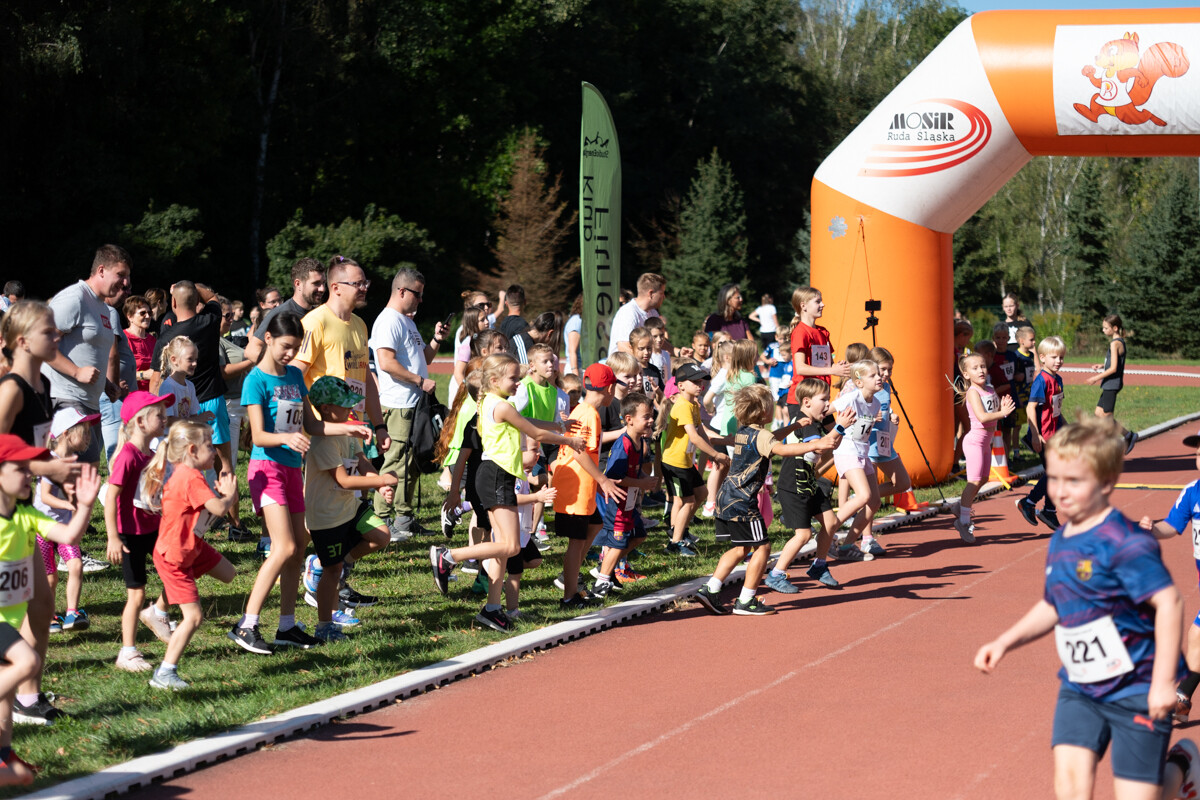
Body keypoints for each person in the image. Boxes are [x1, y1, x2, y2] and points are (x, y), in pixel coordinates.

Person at [975, 416, 1199, 800]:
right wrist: (1005, 641)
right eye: (1055, 478)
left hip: (1138, 687)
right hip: (1081, 686)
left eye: (1074, 481)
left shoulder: (1125, 541)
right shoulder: (1062, 539)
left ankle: (1182, 767)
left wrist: (1164, 682)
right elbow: (1054, 604)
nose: (1060, 491)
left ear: (1106, 483)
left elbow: (1169, 602)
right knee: (1071, 790)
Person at [233, 313, 372, 654]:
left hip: (292, 470)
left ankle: (287, 626)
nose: (289, 354)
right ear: (268, 339)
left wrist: (349, 428)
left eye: (295, 348)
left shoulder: (296, 375)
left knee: (297, 548)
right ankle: (246, 625)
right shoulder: (256, 380)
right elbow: (258, 436)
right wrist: (286, 439)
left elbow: (313, 424)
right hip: (267, 470)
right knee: (282, 548)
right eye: (284, 346)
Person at [430, 353, 584, 629]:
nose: (518, 383)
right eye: (514, 378)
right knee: (511, 546)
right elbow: (535, 434)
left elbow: (529, 422)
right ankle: (448, 556)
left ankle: (492, 609)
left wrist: (560, 425)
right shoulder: (500, 406)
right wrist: (568, 440)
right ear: (494, 380)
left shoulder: (494, 403)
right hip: (496, 477)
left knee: (502, 551)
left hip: (496, 476)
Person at [0, 302, 82, 725]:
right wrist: (46, 467)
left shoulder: (43, 387)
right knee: (16, 602)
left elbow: (34, 446)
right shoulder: (10, 388)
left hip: (23, 505)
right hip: (2, 513)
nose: (58, 338)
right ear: (21, 342)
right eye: (49, 333)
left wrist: (58, 472)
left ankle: (27, 697)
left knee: (42, 599)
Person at [694, 385, 841, 615]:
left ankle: (710, 588)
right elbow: (780, 449)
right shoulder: (763, 436)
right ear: (764, 411)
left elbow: (770, 440)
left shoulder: (746, 431)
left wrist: (793, 426)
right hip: (743, 500)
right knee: (762, 547)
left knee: (741, 548)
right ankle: (746, 600)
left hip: (727, 496)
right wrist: (815, 444)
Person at [0, 435, 98, 778]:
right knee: (27, 661)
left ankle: (4, 759)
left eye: (30, 468)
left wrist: (85, 505)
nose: (30, 475)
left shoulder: (25, 515)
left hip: (7, 622)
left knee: (6, 693)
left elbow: (69, 536)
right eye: (20, 469)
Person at [144, 421, 238, 690]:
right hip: (175, 554)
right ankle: (165, 673)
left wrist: (220, 497)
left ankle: (157, 609)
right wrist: (229, 496)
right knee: (194, 617)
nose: (215, 451)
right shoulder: (190, 477)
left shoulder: (189, 475)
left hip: (190, 546)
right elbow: (219, 510)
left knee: (229, 574)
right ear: (193, 450)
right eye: (210, 446)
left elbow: (205, 509)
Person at [302, 377, 396, 642]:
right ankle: (325, 625)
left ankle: (336, 562)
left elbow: (361, 461)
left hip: (350, 507)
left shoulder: (347, 432)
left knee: (381, 535)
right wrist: (381, 480)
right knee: (331, 574)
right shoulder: (323, 442)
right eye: (344, 407)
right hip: (327, 517)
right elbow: (342, 479)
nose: (350, 410)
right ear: (327, 408)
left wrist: (378, 486)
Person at [371, 267, 449, 539]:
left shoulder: (407, 321)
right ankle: (381, 519)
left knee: (413, 463)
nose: (421, 299)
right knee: (395, 462)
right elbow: (386, 362)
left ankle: (403, 518)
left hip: (415, 404)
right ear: (401, 291)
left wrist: (437, 339)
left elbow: (424, 358)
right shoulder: (388, 321)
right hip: (399, 403)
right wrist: (419, 381)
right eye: (417, 294)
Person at [104, 392, 174, 672]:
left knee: (178, 570)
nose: (165, 417)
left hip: (153, 528)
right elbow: (110, 497)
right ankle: (128, 652)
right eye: (159, 413)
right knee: (136, 594)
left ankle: (157, 613)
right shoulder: (128, 456)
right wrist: (112, 536)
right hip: (130, 534)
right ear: (142, 422)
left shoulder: (152, 453)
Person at [764, 378, 855, 593]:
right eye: (823, 400)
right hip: (792, 487)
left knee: (831, 522)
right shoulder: (805, 422)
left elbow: (830, 446)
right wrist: (840, 427)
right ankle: (776, 574)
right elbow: (820, 448)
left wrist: (840, 430)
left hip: (808, 484)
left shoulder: (814, 422)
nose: (827, 404)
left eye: (828, 399)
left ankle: (819, 565)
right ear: (806, 402)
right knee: (803, 535)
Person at [44, 244, 131, 465]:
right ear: (101, 270)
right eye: (120, 275)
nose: (125, 283)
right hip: (65, 397)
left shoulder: (102, 307)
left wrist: (106, 384)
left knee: (88, 473)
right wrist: (76, 372)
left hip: (90, 403)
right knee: (71, 475)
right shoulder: (75, 298)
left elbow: (89, 353)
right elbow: (40, 344)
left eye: (127, 277)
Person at [291, 256, 388, 451]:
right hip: (322, 434)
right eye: (357, 284)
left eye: (365, 282)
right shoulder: (315, 322)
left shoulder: (360, 324)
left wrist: (380, 426)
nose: (364, 288)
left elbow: (366, 378)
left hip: (355, 431)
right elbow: (294, 376)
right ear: (336, 288)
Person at [549, 363, 626, 607]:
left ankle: (571, 579)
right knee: (577, 541)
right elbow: (579, 451)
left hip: (578, 484)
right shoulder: (590, 414)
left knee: (595, 525)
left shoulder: (582, 409)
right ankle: (569, 595)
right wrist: (602, 479)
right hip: (576, 487)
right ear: (610, 388)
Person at [1140, 429, 1200, 726]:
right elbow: (1172, 527)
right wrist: (1150, 530)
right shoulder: (1192, 492)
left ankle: (1181, 698)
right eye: (1199, 452)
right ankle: (1183, 699)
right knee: (1197, 639)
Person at [150, 281, 232, 479]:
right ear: (196, 301)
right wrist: (194, 286)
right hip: (212, 401)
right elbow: (212, 297)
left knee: (185, 464)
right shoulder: (210, 320)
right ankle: (230, 509)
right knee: (224, 466)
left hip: (180, 404)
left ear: (173, 304)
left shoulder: (167, 337)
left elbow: (155, 380)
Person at [33, 409, 100, 633]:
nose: (90, 437)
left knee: (76, 565)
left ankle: (72, 613)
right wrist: (69, 505)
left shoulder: (74, 462)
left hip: (66, 528)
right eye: (85, 432)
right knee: (50, 579)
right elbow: (45, 497)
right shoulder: (50, 462)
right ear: (66, 433)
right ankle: (49, 616)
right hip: (43, 528)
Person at [590, 392, 658, 598]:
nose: (651, 420)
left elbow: (633, 471)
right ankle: (601, 584)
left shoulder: (639, 442)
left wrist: (645, 477)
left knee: (639, 536)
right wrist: (642, 483)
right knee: (618, 543)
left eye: (652, 415)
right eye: (646, 417)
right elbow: (614, 478)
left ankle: (605, 566)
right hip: (617, 503)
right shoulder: (624, 444)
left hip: (629, 502)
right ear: (629, 419)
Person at [661, 362, 730, 556]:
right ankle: (674, 543)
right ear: (680, 385)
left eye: (701, 381)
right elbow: (694, 436)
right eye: (695, 382)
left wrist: (718, 446)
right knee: (688, 501)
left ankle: (680, 532)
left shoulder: (692, 404)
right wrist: (716, 454)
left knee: (701, 494)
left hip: (685, 462)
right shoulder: (682, 406)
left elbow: (703, 433)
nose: (700, 385)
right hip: (674, 463)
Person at [953, 352, 1016, 543]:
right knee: (973, 481)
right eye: (975, 368)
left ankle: (960, 506)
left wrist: (1001, 407)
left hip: (986, 442)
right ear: (965, 374)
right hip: (974, 442)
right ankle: (963, 522)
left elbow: (993, 411)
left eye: (983, 366)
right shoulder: (973, 392)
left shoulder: (989, 388)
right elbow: (982, 417)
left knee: (984, 479)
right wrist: (1002, 413)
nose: (981, 370)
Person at [831, 360, 885, 558]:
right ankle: (826, 533)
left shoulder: (876, 402)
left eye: (879, 373)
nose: (879, 377)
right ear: (859, 382)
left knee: (875, 502)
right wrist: (834, 430)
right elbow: (825, 411)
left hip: (861, 453)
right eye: (873, 375)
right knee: (863, 496)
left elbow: (862, 431)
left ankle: (846, 547)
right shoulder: (851, 398)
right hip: (846, 451)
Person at [1017, 335, 1067, 530]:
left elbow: (1057, 410)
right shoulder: (1042, 381)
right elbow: (1031, 408)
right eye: (1054, 357)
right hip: (1044, 436)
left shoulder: (1058, 379)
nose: (1058, 361)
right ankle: (1030, 503)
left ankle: (1048, 510)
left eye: (1061, 357)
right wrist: (1036, 434)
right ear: (1043, 358)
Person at [243, 258, 327, 364]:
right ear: (298, 284)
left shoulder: (320, 315)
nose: (322, 289)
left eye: (323, 283)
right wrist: (281, 373)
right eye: (316, 283)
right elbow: (251, 350)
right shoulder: (281, 313)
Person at [785, 286, 850, 414]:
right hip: (803, 400)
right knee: (818, 434)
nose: (823, 304)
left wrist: (840, 368)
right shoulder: (800, 332)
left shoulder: (823, 332)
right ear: (803, 306)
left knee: (836, 434)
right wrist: (832, 370)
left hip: (821, 398)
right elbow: (800, 368)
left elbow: (827, 364)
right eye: (818, 301)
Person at [1088, 314, 1137, 454]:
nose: (1103, 330)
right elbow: (1113, 364)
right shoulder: (1118, 342)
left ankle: (1117, 442)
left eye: (1105, 328)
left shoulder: (1115, 343)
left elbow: (1114, 368)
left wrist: (1095, 378)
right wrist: (1101, 365)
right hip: (1109, 383)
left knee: (1107, 419)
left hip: (1112, 384)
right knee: (1098, 414)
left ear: (1115, 328)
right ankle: (1127, 436)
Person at [608, 273, 666, 356]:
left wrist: (677, 352)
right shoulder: (628, 313)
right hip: (623, 367)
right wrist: (646, 364)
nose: (664, 297)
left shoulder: (653, 312)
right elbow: (623, 347)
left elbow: (658, 341)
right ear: (651, 293)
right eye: (662, 293)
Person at [449, 303, 490, 404]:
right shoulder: (467, 344)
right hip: (468, 396)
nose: (487, 322)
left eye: (486, 318)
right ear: (472, 323)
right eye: (482, 320)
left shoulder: (483, 340)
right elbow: (458, 372)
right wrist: (467, 393)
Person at [123, 296, 157, 393]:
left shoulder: (153, 340)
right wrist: (143, 375)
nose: (147, 316)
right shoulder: (123, 339)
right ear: (129, 316)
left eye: (149, 313)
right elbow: (118, 373)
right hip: (131, 396)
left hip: (151, 396)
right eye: (143, 313)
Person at [563, 295, 583, 375]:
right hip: (576, 367)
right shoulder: (576, 321)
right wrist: (575, 372)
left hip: (579, 367)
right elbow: (572, 350)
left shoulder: (579, 320)